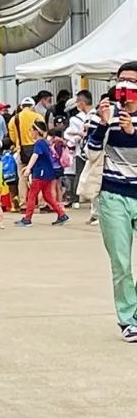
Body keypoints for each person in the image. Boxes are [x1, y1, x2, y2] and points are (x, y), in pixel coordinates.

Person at [86, 64, 137, 342]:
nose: (125, 86)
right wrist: (104, 124)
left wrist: (133, 134)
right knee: (120, 261)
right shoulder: (104, 113)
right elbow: (90, 153)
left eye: (132, 81)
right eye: (122, 81)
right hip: (113, 194)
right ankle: (128, 319)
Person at [16, 128, 70, 226]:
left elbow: (35, 155)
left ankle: (27, 219)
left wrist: (28, 168)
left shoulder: (39, 143)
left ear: (36, 131)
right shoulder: (45, 143)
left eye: (31, 131)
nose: (30, 133)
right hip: (48, 173)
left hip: (40, 173)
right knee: (47, 196)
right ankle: (61, 214)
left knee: (32, 195)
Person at [9, 92, 52, 205]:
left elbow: (12, 137)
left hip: (22, 150)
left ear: (22, 106)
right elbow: (44, 132)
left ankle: (23, 203)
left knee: (22, 177)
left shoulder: (14, 119)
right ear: (32, 106)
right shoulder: (38, 116)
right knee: (39, 176)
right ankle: (42, 202)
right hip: (37, 149)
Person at [65, 90, 95, 203]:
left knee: (83, 174)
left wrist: (77, 134)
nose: (77, 105)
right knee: (82, 174)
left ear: (82, 102)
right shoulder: (94, 115)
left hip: (89, 150)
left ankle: (80, 198)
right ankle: (81, 197)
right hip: (83, 150)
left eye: (77, 102)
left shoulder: (93, 116)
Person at [0, 144, 20, 212]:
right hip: (15, 175)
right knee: (16, 190)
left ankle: (12, 206)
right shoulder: (14, 154)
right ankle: (16, 203)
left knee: (11, 191)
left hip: (7, 176)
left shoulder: (2, 155)